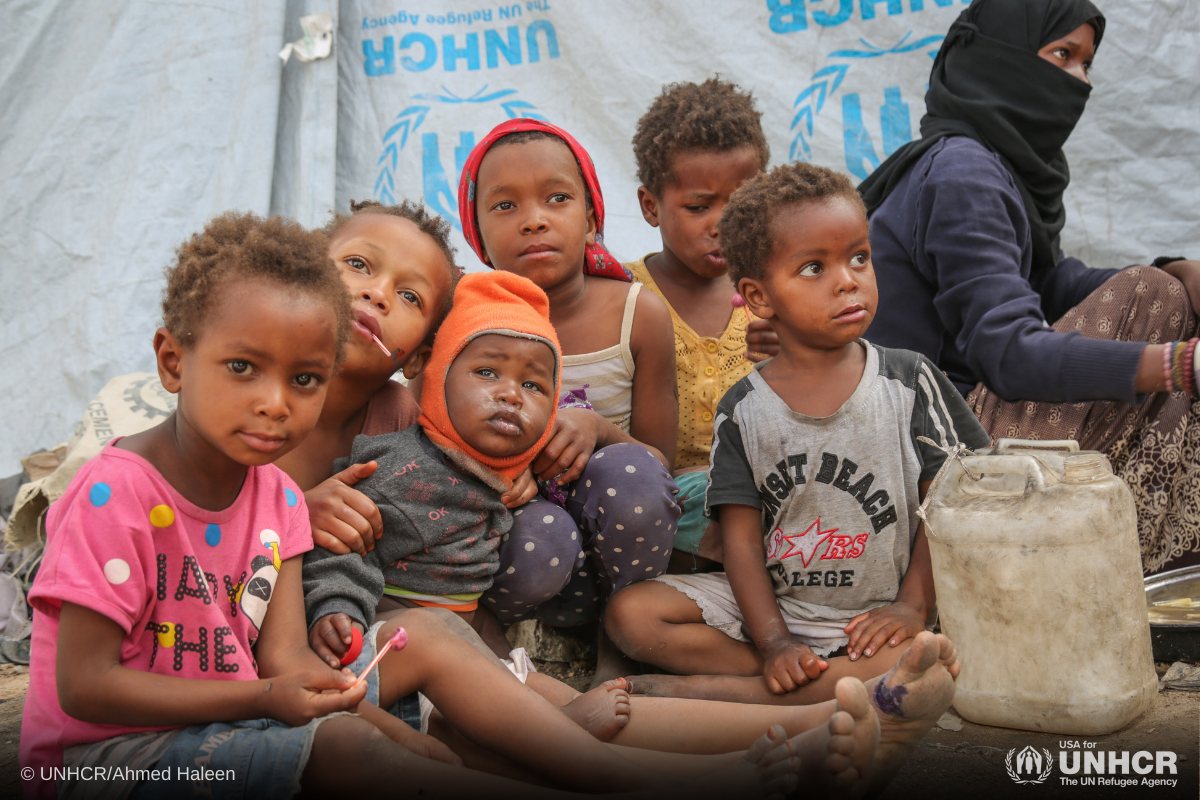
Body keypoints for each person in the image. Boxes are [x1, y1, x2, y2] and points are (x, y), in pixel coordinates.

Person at [13, 210, 883, 800]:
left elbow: (288, 672)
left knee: (436, 655)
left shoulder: (283, 486)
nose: (276, 402)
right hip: (103, 762)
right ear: (174, 363)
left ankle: (737, 759)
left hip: (292, 692)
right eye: (245, 368)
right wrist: (312, 711)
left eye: (303, 380)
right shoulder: (119, 489)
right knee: (372, 742)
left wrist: (362, 719)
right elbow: (84, 688)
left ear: (417, 356)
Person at [605, 163, 990, 706]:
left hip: (880, 618)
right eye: (814, 267)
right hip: (781, 611)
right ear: (758, 298)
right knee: (632, 616)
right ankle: (787, 678)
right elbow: (740, 540)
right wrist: (774, 642)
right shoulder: (744, 409)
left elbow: (953, 506)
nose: (847, 279)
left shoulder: (909, 381)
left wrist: (911, 607)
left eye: (859, 256)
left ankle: (727, 692)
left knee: (924, 651)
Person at [857, 0, 1200, 574]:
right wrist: (1179, 363)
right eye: (1061, 55)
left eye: (1086, 64)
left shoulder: (990, 164)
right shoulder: (963, 173)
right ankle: (1105, 569)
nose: (1079, 82)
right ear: (998, 57)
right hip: (928, 453)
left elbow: (1046, 282)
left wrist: (1179, 268)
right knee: (1151, 298)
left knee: (1165, 288)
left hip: (939, 430)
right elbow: (1009, 352)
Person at [457, 119, 682, 676]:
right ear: (478, 235)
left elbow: (662, 467)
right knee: (542, 531)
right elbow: (432, 447)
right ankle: (509, 648)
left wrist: (598, 429)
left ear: (591, 217)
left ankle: (622, 644)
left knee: (631, 476)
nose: (534, 219)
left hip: (621, 554)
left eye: (557, 198)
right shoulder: (464, 329)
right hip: (527, 552)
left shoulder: (637, 315)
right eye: (504, 207)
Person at [626, 77, 780, 574]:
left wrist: (797, 354)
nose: (722, 222)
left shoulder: (780, 294)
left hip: (769, 494)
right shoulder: (622, 297)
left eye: (741, 200)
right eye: (699, 206)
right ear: (652, 206)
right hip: (661, 508)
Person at [275, 200, 462, 557]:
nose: (377, 293)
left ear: (418, 357)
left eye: (409, 296)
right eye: (358, 265)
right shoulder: (249, 388)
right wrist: (298, 517)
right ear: (307, 269)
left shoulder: (397, 420)